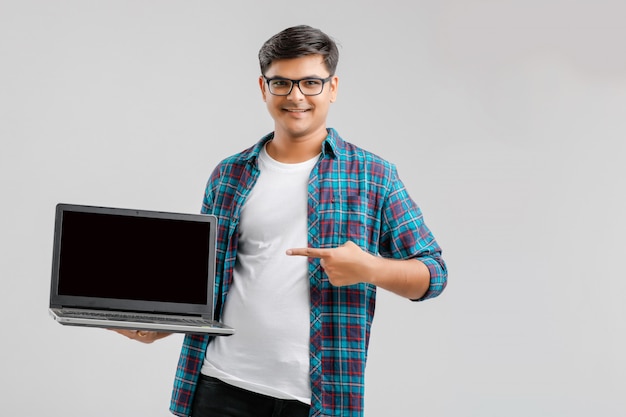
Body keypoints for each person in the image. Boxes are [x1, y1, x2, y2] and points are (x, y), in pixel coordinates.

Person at [116, 24, 447, 417]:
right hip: (220, 388)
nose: (296, 97)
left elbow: (433, 274)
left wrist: (369, 268)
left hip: (318, 400)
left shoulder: (374, 176)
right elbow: (207, 283)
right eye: (282, 84)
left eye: (310, 83)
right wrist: (154, 325)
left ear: (332, 88)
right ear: (263, 88)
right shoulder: (229, 174)